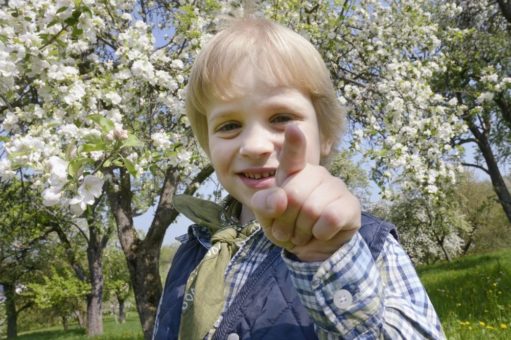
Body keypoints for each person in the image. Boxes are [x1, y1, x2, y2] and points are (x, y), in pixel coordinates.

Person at [153, 16, 445, 340]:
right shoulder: (192, 251)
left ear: (325, 135)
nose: (254, 145)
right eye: (229, 126)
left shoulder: (363, 243)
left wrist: (331, 261)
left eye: (280, 118)